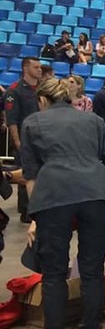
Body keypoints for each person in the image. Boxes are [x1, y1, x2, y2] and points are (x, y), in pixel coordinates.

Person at [21, 78, 105, 329]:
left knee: (53, 274)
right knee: (91, 271)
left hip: (54, 197)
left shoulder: (33, 122)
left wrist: (34, 219)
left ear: (43, 100)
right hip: (97, 196)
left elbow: (31, 175)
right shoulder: (94, 121)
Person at [6, 56, 43, 223]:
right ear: (25, 69)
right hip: (25, 139)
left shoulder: (42, 89)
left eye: (40, 67)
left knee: (40, 174)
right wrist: (18, 143)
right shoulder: (15, 90)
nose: (40, 70)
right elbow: (12, 120)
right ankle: (26, 211)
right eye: (36, 67)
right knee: (26, 174)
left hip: (42, 139)